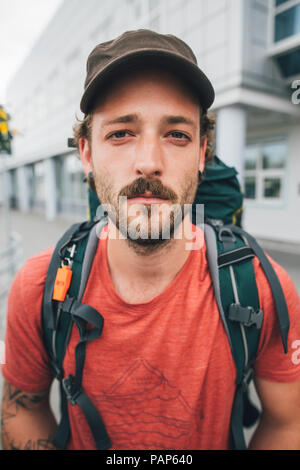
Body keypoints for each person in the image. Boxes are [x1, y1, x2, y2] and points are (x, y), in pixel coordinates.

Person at [1, 29, 300, 451]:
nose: (148, 163)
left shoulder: (262, 288)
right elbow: (24, 409)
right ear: (86, 153)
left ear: (201, 153)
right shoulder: (38, 288)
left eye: (176, 134)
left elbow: (289, 423)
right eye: (121, 133)